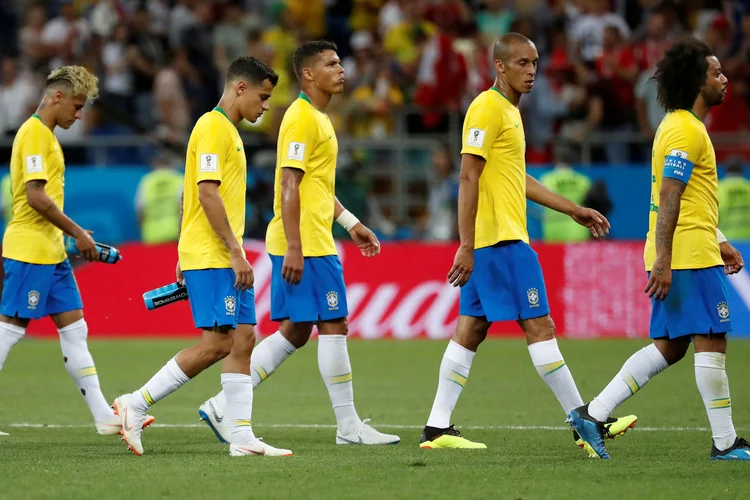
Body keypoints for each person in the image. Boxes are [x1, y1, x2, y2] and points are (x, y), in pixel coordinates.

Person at [418, 33, 636, 451]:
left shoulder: (509, 112)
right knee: (540, 326)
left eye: (535, 62)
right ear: (499, 66)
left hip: (493, 240)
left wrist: (571, 208)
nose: (531, 71)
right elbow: (468, 175)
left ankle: (436, 428)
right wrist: (466, 243)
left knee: (471, 329)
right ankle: (583, 422)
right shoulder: (486, 108)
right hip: (500, 242)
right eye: (521, 62)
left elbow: (515, 177)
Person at [198, 41, 400, 446]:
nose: (340, 69)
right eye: (331, 63)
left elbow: (317, 187)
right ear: (308, 74)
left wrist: (350, 222)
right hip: (305, 240)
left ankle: (223, 404)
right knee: (334, 322)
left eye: (340, 62)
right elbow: (289, 181)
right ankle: (348, 428)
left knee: (296, 329)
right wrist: (294, 245)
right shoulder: (302, 118)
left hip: (312, 234)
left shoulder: (319, 119)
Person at [568, 37, 750, 461]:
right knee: (712, 339)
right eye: (716, 73)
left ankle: (593, 414)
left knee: (672, 345)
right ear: (695, 82)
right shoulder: (686, 130)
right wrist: (666, 260)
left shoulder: (676, 125)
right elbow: (670, 195)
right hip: (685, 255)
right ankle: (725, 443)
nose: (724, 79)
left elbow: (688, 199)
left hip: (688, 248)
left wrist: (719, 240)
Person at [113, 57, 292, 458]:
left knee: (244, 339)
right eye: (262, 97)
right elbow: (207, 193)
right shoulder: (213, 128)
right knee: (218, 343)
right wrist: (234, 251)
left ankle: (242, 439)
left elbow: (188, 195)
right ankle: (135, 403)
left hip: (216, 252)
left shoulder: (226, 131)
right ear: (240, 88)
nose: (265, 107)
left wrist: (181, 248)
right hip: (216, 254)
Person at [0, 66, 154, 435]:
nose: (80, 114)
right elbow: (36, 196)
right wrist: (77, 234)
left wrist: (70, 235)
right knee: (10, 330)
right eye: (77, 105)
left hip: (51, 252)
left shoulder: (47, 136)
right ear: (57, 97)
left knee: (75, 331)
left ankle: (103, 416)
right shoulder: (35, 134)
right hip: (30, 251)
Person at [135, 151, 184, 245]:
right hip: (175, 233)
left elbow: (140, 210)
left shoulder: (147, 181)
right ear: (171, 164)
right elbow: (183, 206)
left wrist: (143, 229)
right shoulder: (178, 179)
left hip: (151, 235)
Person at [717, 156, 750, 241]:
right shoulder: (748, 187)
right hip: (748, 238)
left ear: (725, 169)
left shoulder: (718, 189)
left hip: (726, 241)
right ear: (742, 170)